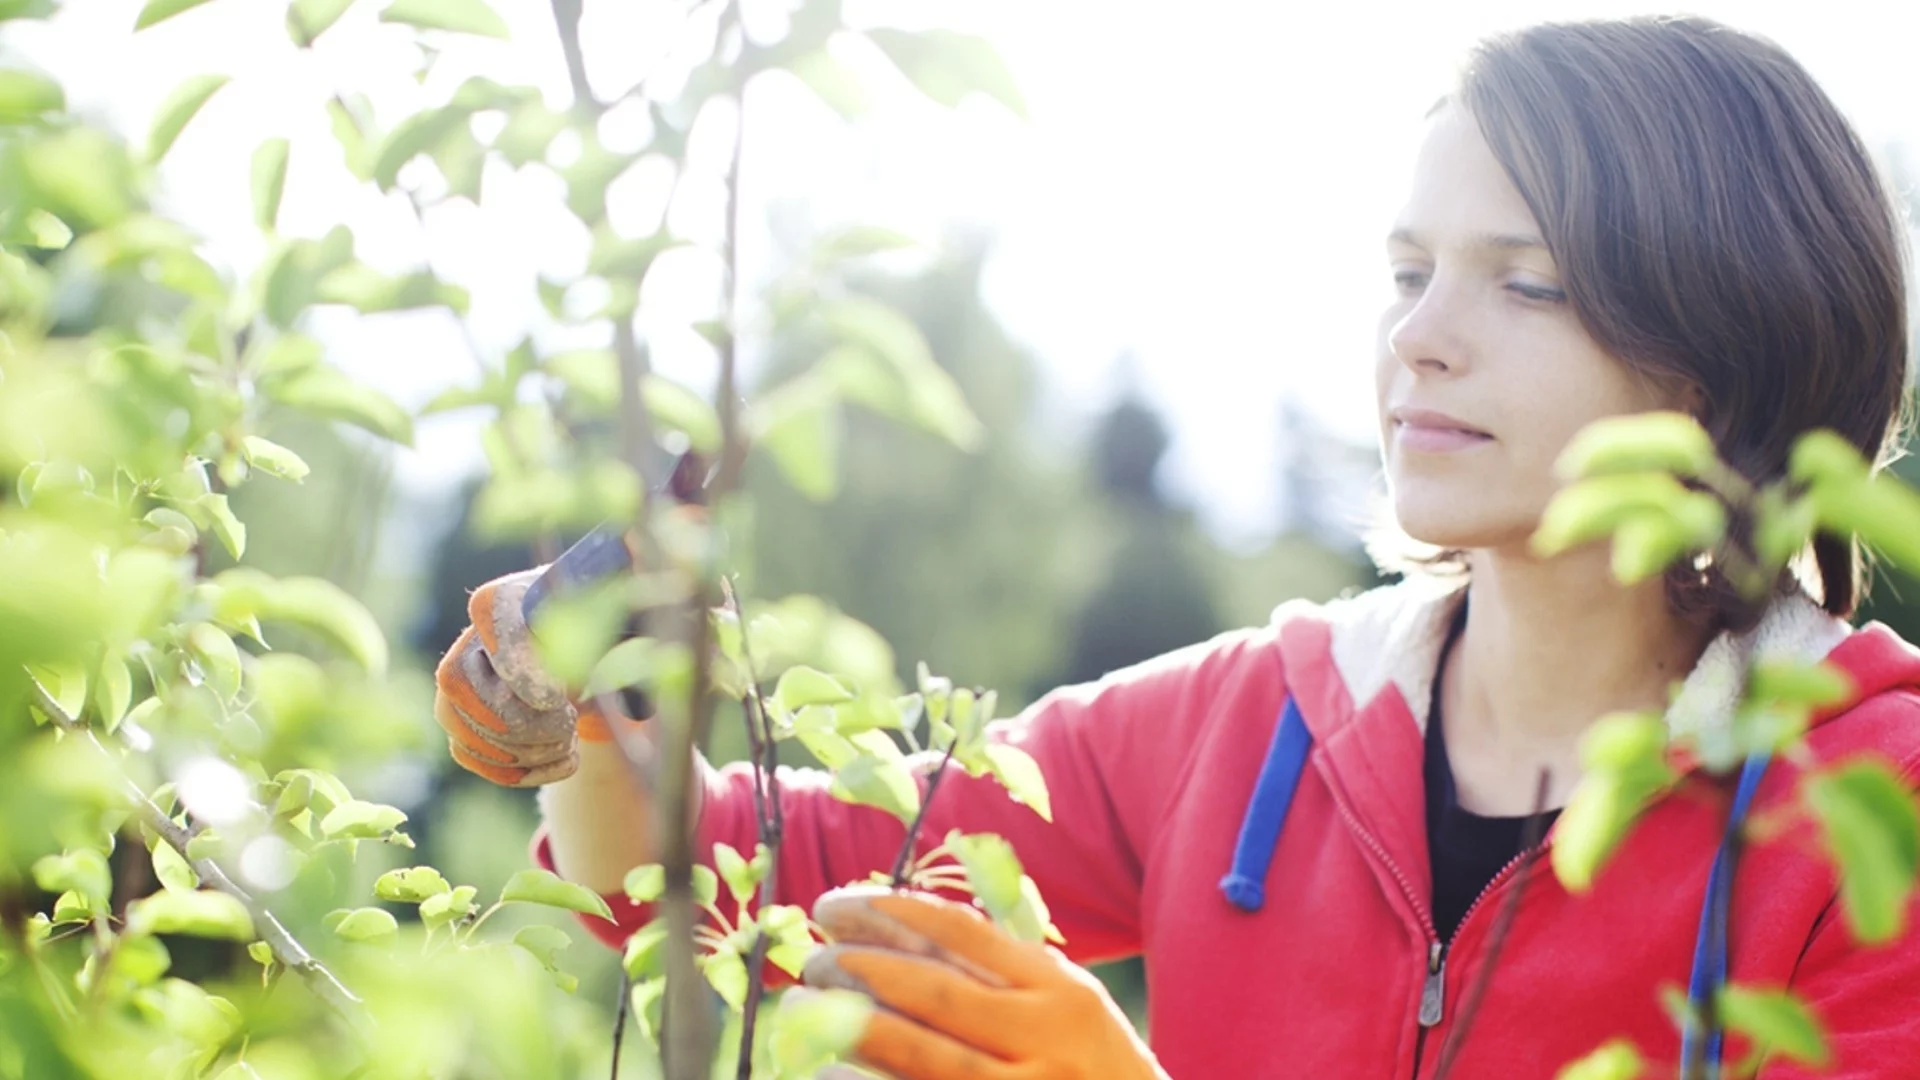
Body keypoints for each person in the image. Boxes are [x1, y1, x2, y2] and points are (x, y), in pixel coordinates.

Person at [432, 16, 1920, 1079]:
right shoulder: (1257, 722)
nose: (1419, 338)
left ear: (1721, 346)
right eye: (1406, 272)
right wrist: (577, 705)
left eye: (1522, 286)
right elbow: (767, 871)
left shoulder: (1876, 807)